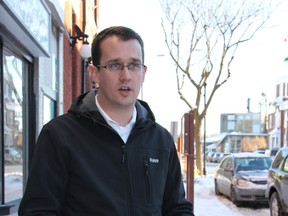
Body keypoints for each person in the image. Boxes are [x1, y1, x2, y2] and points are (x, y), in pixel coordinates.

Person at [18, 26, 194, 216]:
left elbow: (176, 207)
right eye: (114, 65)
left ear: (143, 73)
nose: (126, 76)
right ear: (94, 73)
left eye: (134, 65)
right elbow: (37, 211)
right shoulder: (59, 135)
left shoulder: (161, 140)